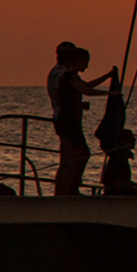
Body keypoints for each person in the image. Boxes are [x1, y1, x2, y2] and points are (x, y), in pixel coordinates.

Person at [47, 42, 116, 196]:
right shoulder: (63, 74)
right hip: (66, 120)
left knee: (75, 156)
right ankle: (66, 193)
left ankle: (68, 190)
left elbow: (82, 87)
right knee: (72, 159)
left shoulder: (68, 74)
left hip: (69, 119)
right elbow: (82, 89)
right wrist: (108, 94)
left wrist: (108, 76)